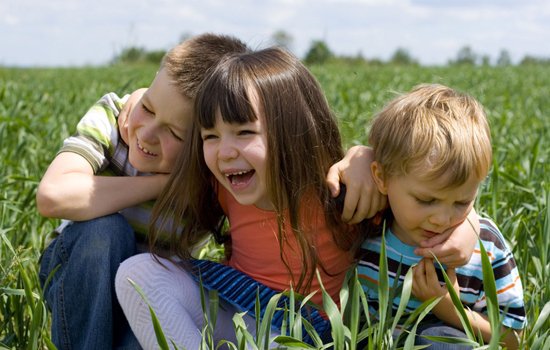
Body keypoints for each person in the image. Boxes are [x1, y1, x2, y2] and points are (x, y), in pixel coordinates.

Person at [114, 50, 481, 349]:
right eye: (211, 135)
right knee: (137, 273)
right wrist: (135, 104)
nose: (224, 152)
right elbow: (63, 197)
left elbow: (432, 197)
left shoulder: (343, 192)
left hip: (303, 331)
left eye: (244, 132)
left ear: (292, 132)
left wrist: (467, 226)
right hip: (236, 303)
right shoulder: (223, 186)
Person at [36, 33, 251, 350]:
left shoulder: (215, 172)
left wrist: (351, 163)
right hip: (79, 275)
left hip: (144, 289)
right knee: (105, 230)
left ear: (208, 143)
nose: (146, 133)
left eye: (174, 132)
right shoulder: (113, 119)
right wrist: (164, 183)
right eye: (148, 108)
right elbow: (53, 194)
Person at [357, 84, 526, 349]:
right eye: (426, 200)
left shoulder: (486, 247)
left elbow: (514, 339)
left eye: (462, 202)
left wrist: (450, 310)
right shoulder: (367, 227)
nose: (442, 219)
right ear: (381, 178)